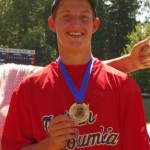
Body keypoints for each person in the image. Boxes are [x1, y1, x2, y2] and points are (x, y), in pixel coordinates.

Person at [1, 0, 150, 149]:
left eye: (84, 16)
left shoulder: (124, 87)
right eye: (67, 16)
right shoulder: (28, 89)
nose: (76, 24)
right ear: (52, 23)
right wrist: (49, 145)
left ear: (95, 25)